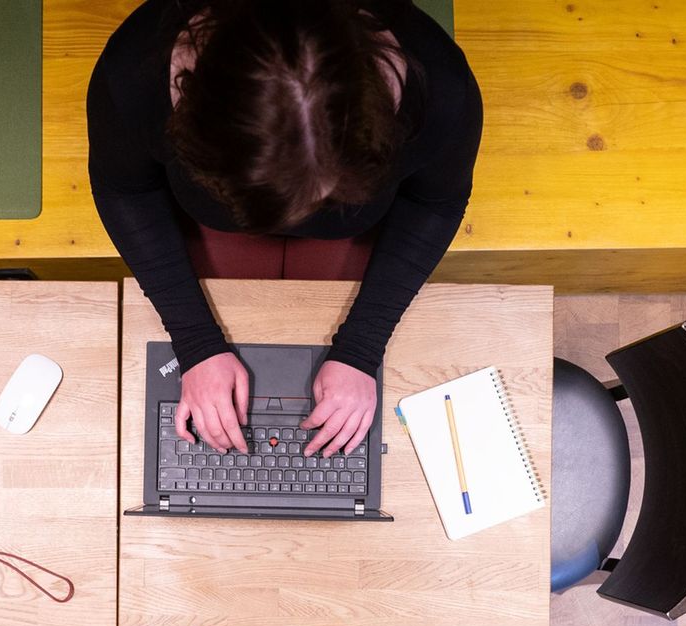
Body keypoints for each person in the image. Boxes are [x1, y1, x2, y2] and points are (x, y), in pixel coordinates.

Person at [88, 0, 482, 459]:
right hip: (216, 227)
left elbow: (435, 202)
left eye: (326, 193)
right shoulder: (131, 74)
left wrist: (362, 349)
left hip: (350, 234)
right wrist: (194, 344)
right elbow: (125, 191)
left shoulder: (443, 92)